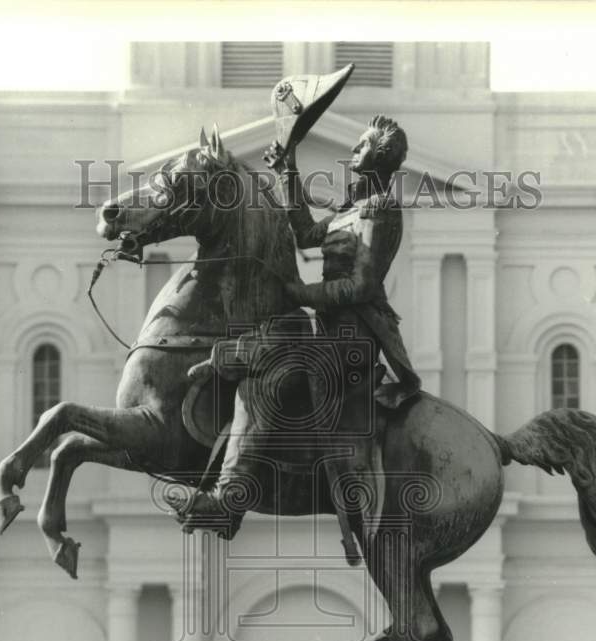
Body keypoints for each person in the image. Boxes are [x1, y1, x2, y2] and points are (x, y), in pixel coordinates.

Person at [170, 115, 422, 544]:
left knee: (270, 370)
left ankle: (228, 499)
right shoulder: (350, 211)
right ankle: (223, 369)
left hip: (354, 338)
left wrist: (302, 293)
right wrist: (287, 169)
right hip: (329, 330)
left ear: (378, 156)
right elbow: (305, 234)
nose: (354, 151)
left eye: (362, 146)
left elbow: (362, 285)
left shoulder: (379, 211)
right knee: (277, 339)